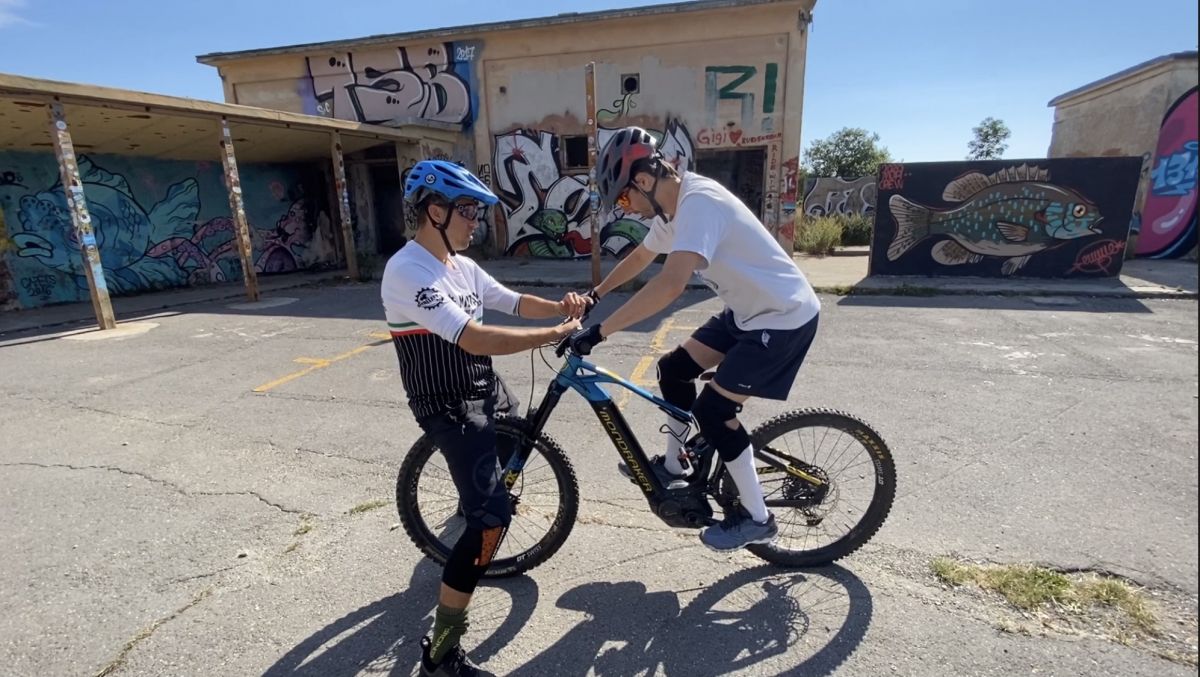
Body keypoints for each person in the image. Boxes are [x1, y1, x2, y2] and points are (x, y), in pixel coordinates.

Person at [569, 127, 821, 552]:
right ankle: (674, 465)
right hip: (747, 312)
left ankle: (758, 518)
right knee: (674, 370)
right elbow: (642, 256)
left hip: (784, 317)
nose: (627, 209)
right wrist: (597, 294)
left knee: (715, 411)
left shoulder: (698, 204)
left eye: (625, 200)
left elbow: (669, 286)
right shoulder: (672, 210)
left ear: (643, 181)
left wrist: (600, 332)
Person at [381, 160, 588, 676]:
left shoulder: (461, 266)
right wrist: (553, 335)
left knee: (512, 430)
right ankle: (440, 652)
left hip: (483, 388)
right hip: (447, 404)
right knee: (492, 520)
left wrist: (559, 308)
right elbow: (473, 338)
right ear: (435, 211)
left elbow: (512, 302)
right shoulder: (408, 270)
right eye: (468, 210)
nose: (476, 221)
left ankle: (471, 498)